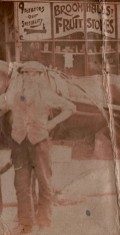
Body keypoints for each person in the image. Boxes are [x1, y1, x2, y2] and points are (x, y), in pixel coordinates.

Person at [0, 61, 76, 234]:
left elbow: (70, 107)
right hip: (19, 145)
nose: (30, 78)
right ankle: (25, 223)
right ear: (22, 76)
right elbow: (2, 104)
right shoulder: (14, 95)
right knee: (21, 186)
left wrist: (52, 123)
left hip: (40, 144)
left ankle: (44, 223)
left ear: (40, 76)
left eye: (34, 74)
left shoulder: (46, 95)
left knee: (44, 184)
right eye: (26, 74)